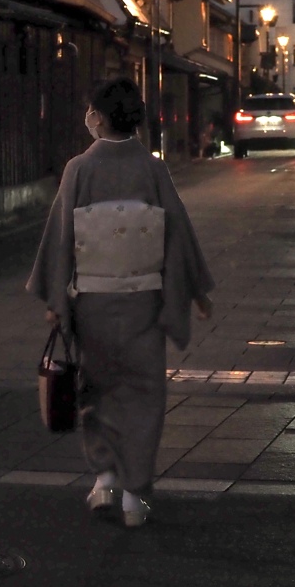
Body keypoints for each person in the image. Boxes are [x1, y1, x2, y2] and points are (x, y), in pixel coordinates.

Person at [26, 77, 215, 528]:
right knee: (143, 394)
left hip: (92, 299)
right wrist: (195, 290)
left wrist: (57, 297)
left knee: (97, 390)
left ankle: (104, 477)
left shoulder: (79, 169)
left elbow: (62, 239)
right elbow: (177, 234)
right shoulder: (152, 169)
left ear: (99, 117)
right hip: (143, 303)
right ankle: (133, 495)